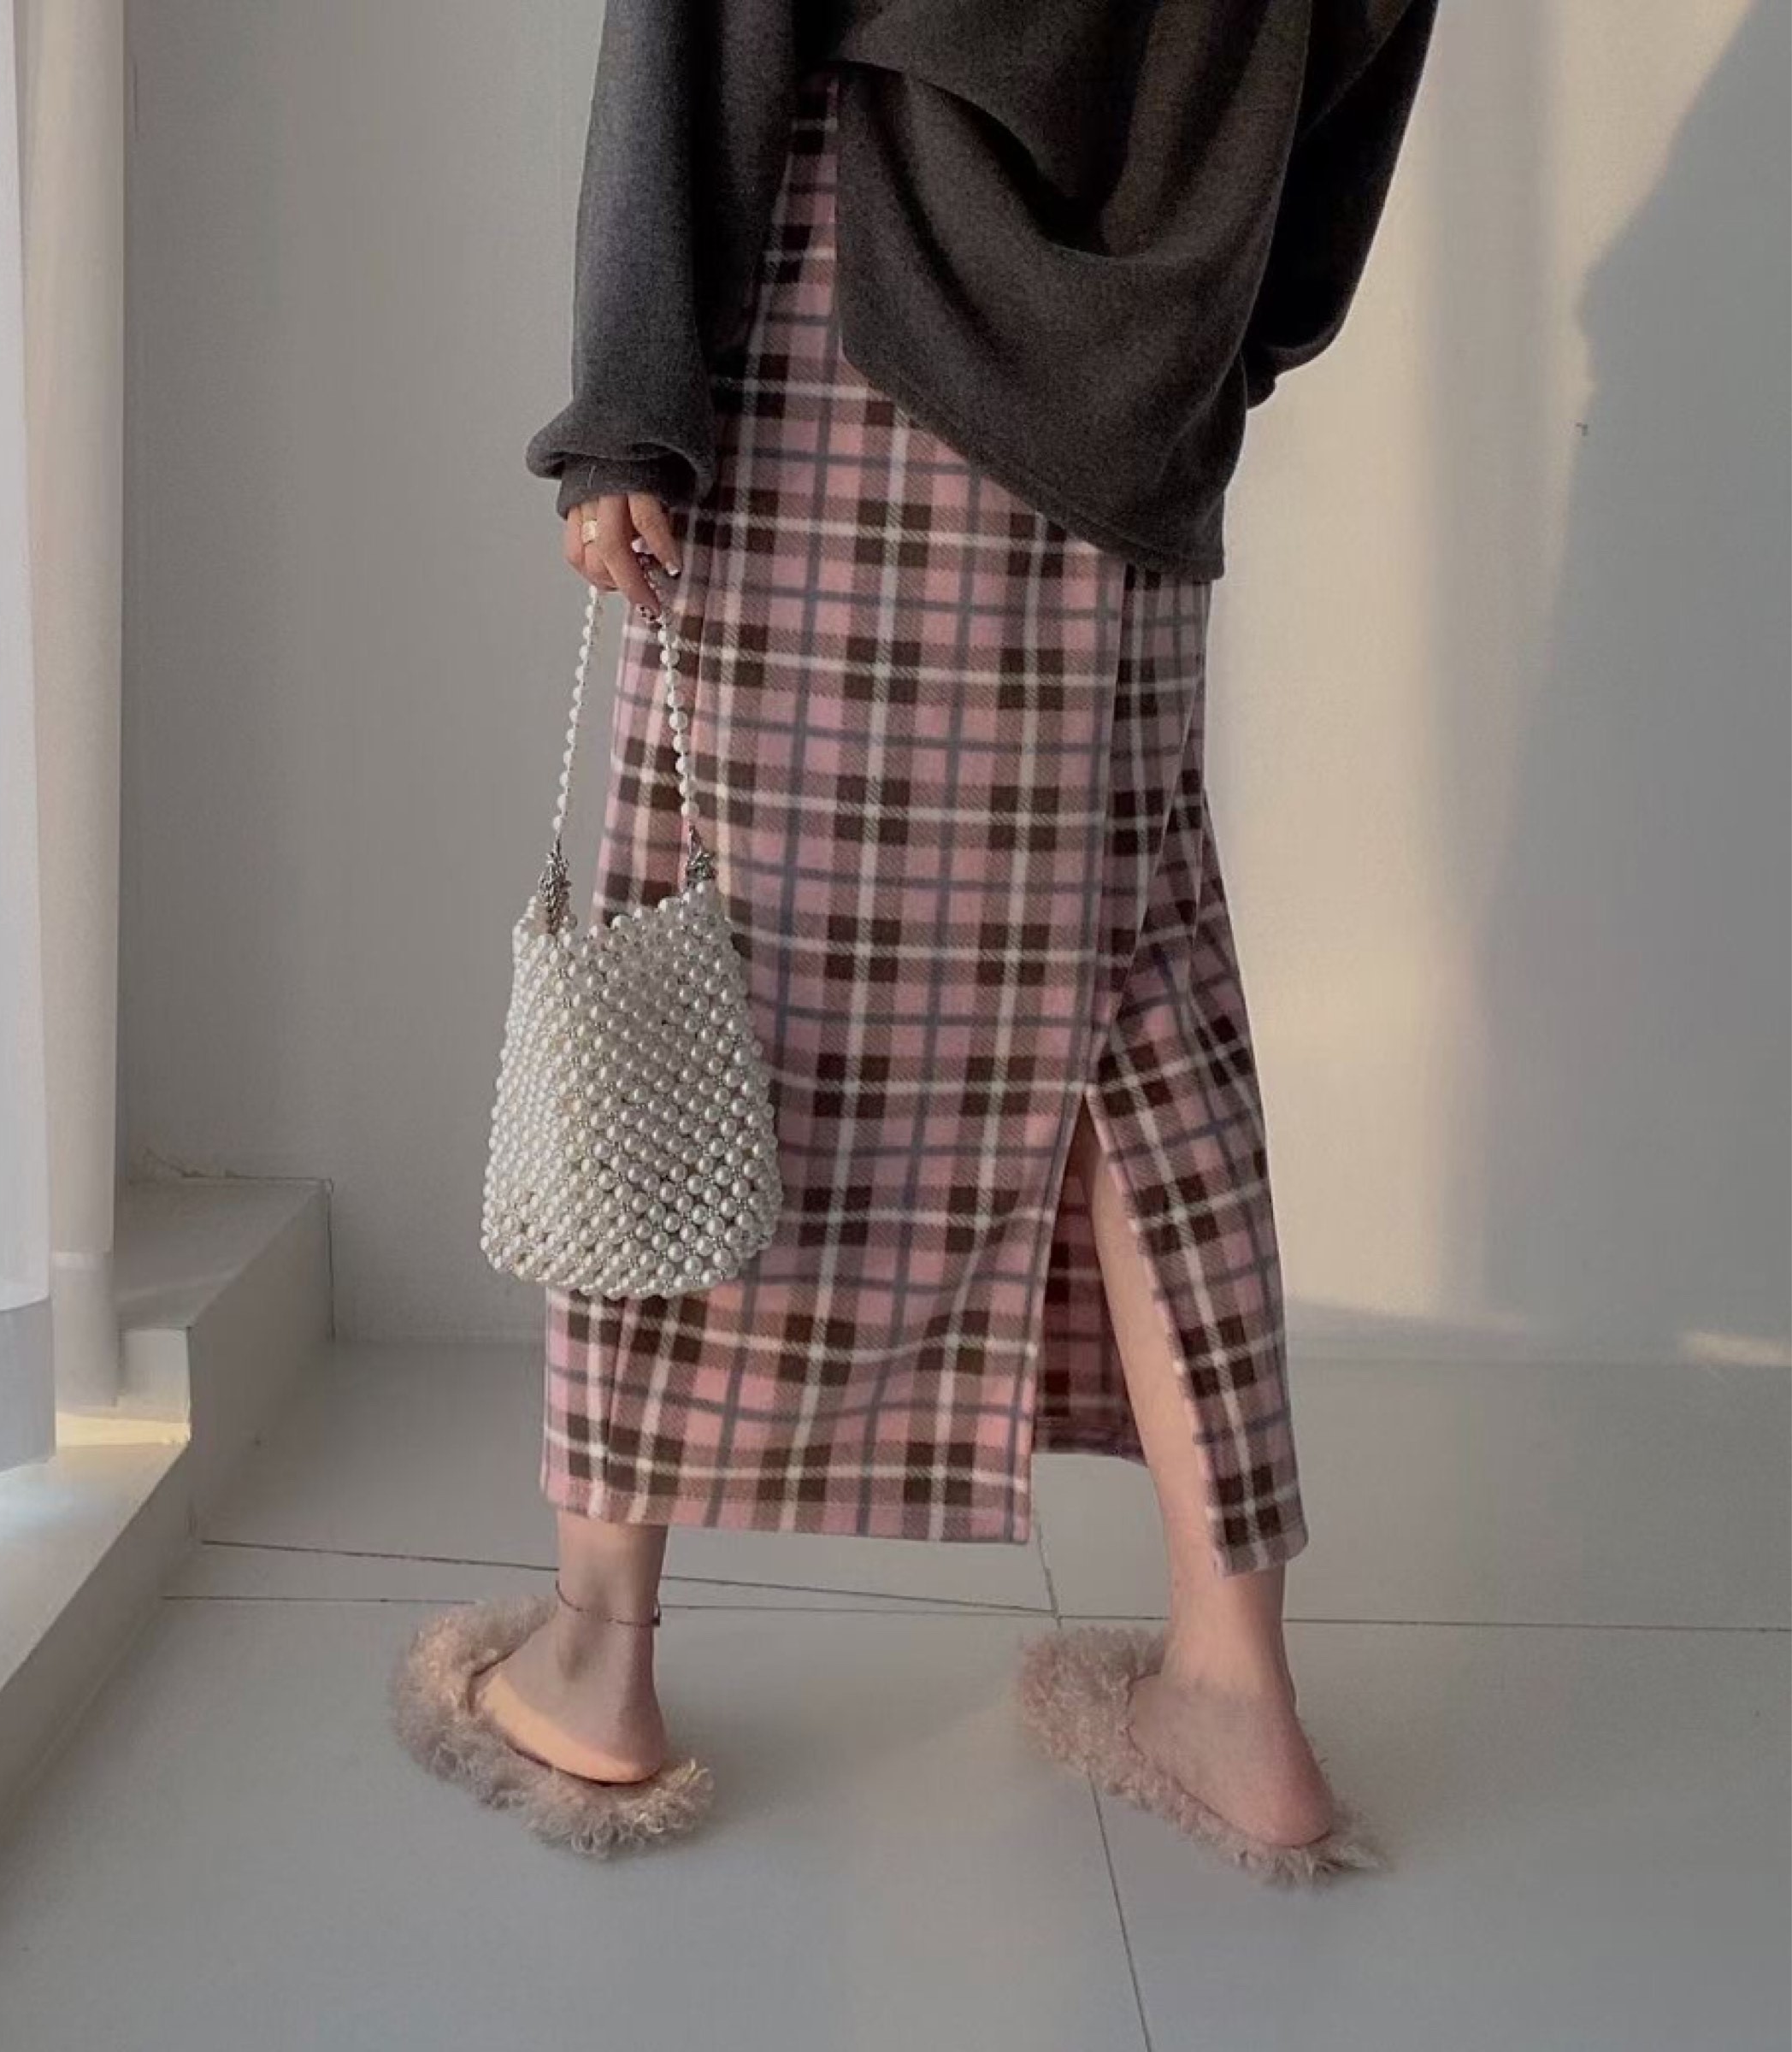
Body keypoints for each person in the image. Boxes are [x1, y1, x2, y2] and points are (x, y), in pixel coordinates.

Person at [392, 0, 1438, 1877]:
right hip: (1135, 415)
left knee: (685, 967)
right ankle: (1236, 1690)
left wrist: (629, 397)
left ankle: (600, 1658)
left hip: (838, 347)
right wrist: (1216, 322)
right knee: (1137, 1005)